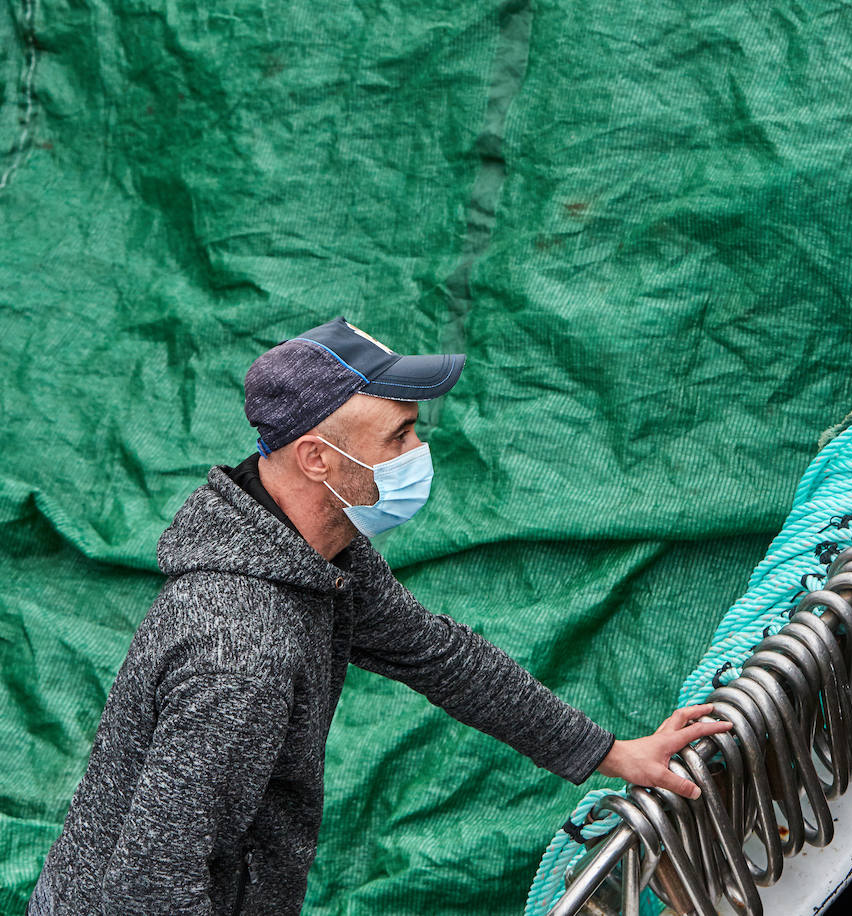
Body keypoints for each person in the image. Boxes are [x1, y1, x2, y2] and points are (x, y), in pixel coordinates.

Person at [28, 317, 730, 914]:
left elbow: (441, 656)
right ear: (316, 459)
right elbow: (153, 883)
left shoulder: (316, 559)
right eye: (396, 437)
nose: (418, 454)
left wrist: (613, 754)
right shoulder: (239, 651)